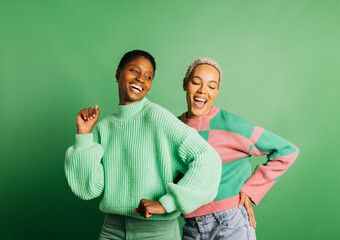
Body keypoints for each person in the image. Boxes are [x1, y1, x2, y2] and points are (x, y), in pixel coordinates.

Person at [64, 50, 222, 240]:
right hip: (112, 229)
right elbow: (88, 188)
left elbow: (208, 159)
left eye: (148, 77)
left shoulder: (157, 116)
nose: (141, 79)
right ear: (117, 73)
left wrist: (167, 203)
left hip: (156, 231)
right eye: (134, 71)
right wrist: (84, 135)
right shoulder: (103, 128)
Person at [178, 58, 299, 240]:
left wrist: (251, 190)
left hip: (229, 223)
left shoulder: (230, 124)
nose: (203, 90)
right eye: (196, 82)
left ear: (217, 92)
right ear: (185, 84)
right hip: (192, 227)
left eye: (212, 86)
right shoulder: (173, 127)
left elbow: (287, 151)